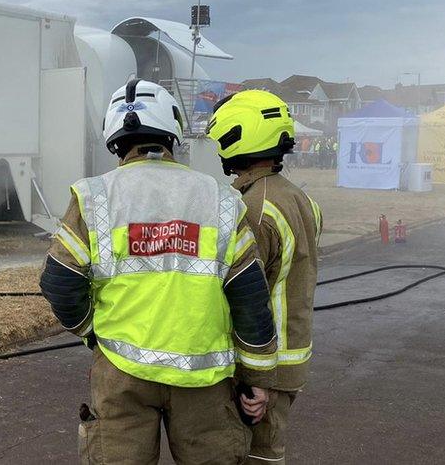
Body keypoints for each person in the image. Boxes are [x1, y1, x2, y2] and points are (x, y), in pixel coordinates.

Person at [40, 79, 278, 463]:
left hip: (121, 372)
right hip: (206, 380)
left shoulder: (94, 196)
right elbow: (249, 296)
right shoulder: (221, 199)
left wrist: (93, 335)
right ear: (173, 134)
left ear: (116, 142)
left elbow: (59, 282)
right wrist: (258, 379)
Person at [207, 90, 323, 465]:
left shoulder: (255, 208)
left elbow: (246, 294)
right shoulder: (296, 197)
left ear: (237, 139)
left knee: (255, 455)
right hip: (290, 357)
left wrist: (256, 377)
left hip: (264, 363)